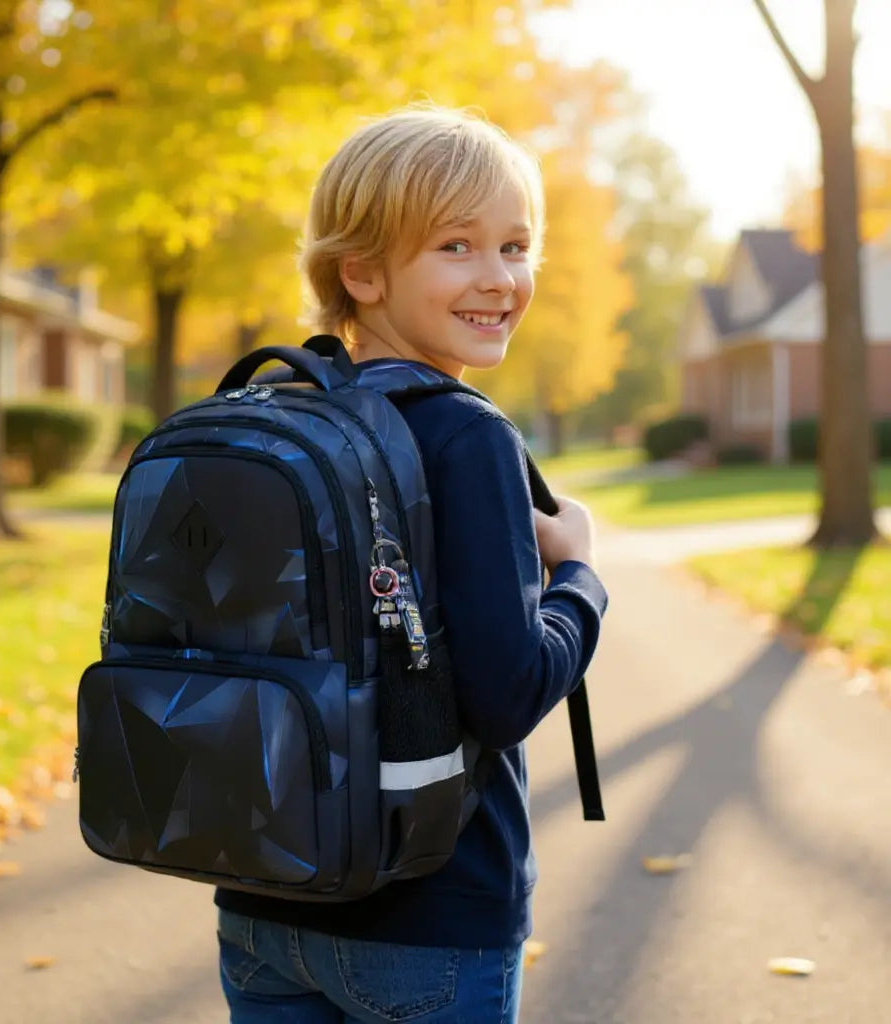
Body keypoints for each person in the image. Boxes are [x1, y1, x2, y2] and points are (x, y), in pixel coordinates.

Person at [214, 104, 608, 1024]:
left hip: (265, 898)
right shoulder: (467, 436)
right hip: (431, 912)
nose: (500, 279)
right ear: (361, 270)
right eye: (457, 247)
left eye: (516, 246)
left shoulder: (280, 416)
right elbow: (507, 694)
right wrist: (581, 574)